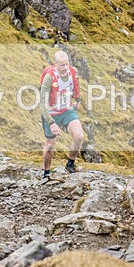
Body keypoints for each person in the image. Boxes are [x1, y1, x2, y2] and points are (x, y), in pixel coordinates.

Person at [40, 50, 85, 181]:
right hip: (51, 113)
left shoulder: (72, 72)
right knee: (50, 145)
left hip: (67, 110)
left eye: (66, 64)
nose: (65, 68)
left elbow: (76, 86)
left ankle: (70, 164)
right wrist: (51, 122)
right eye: (61, 65)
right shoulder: (49, 77)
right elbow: (42, 104)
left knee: (79, 136)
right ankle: (46, 173)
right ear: (55, 64)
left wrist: (78, 100)